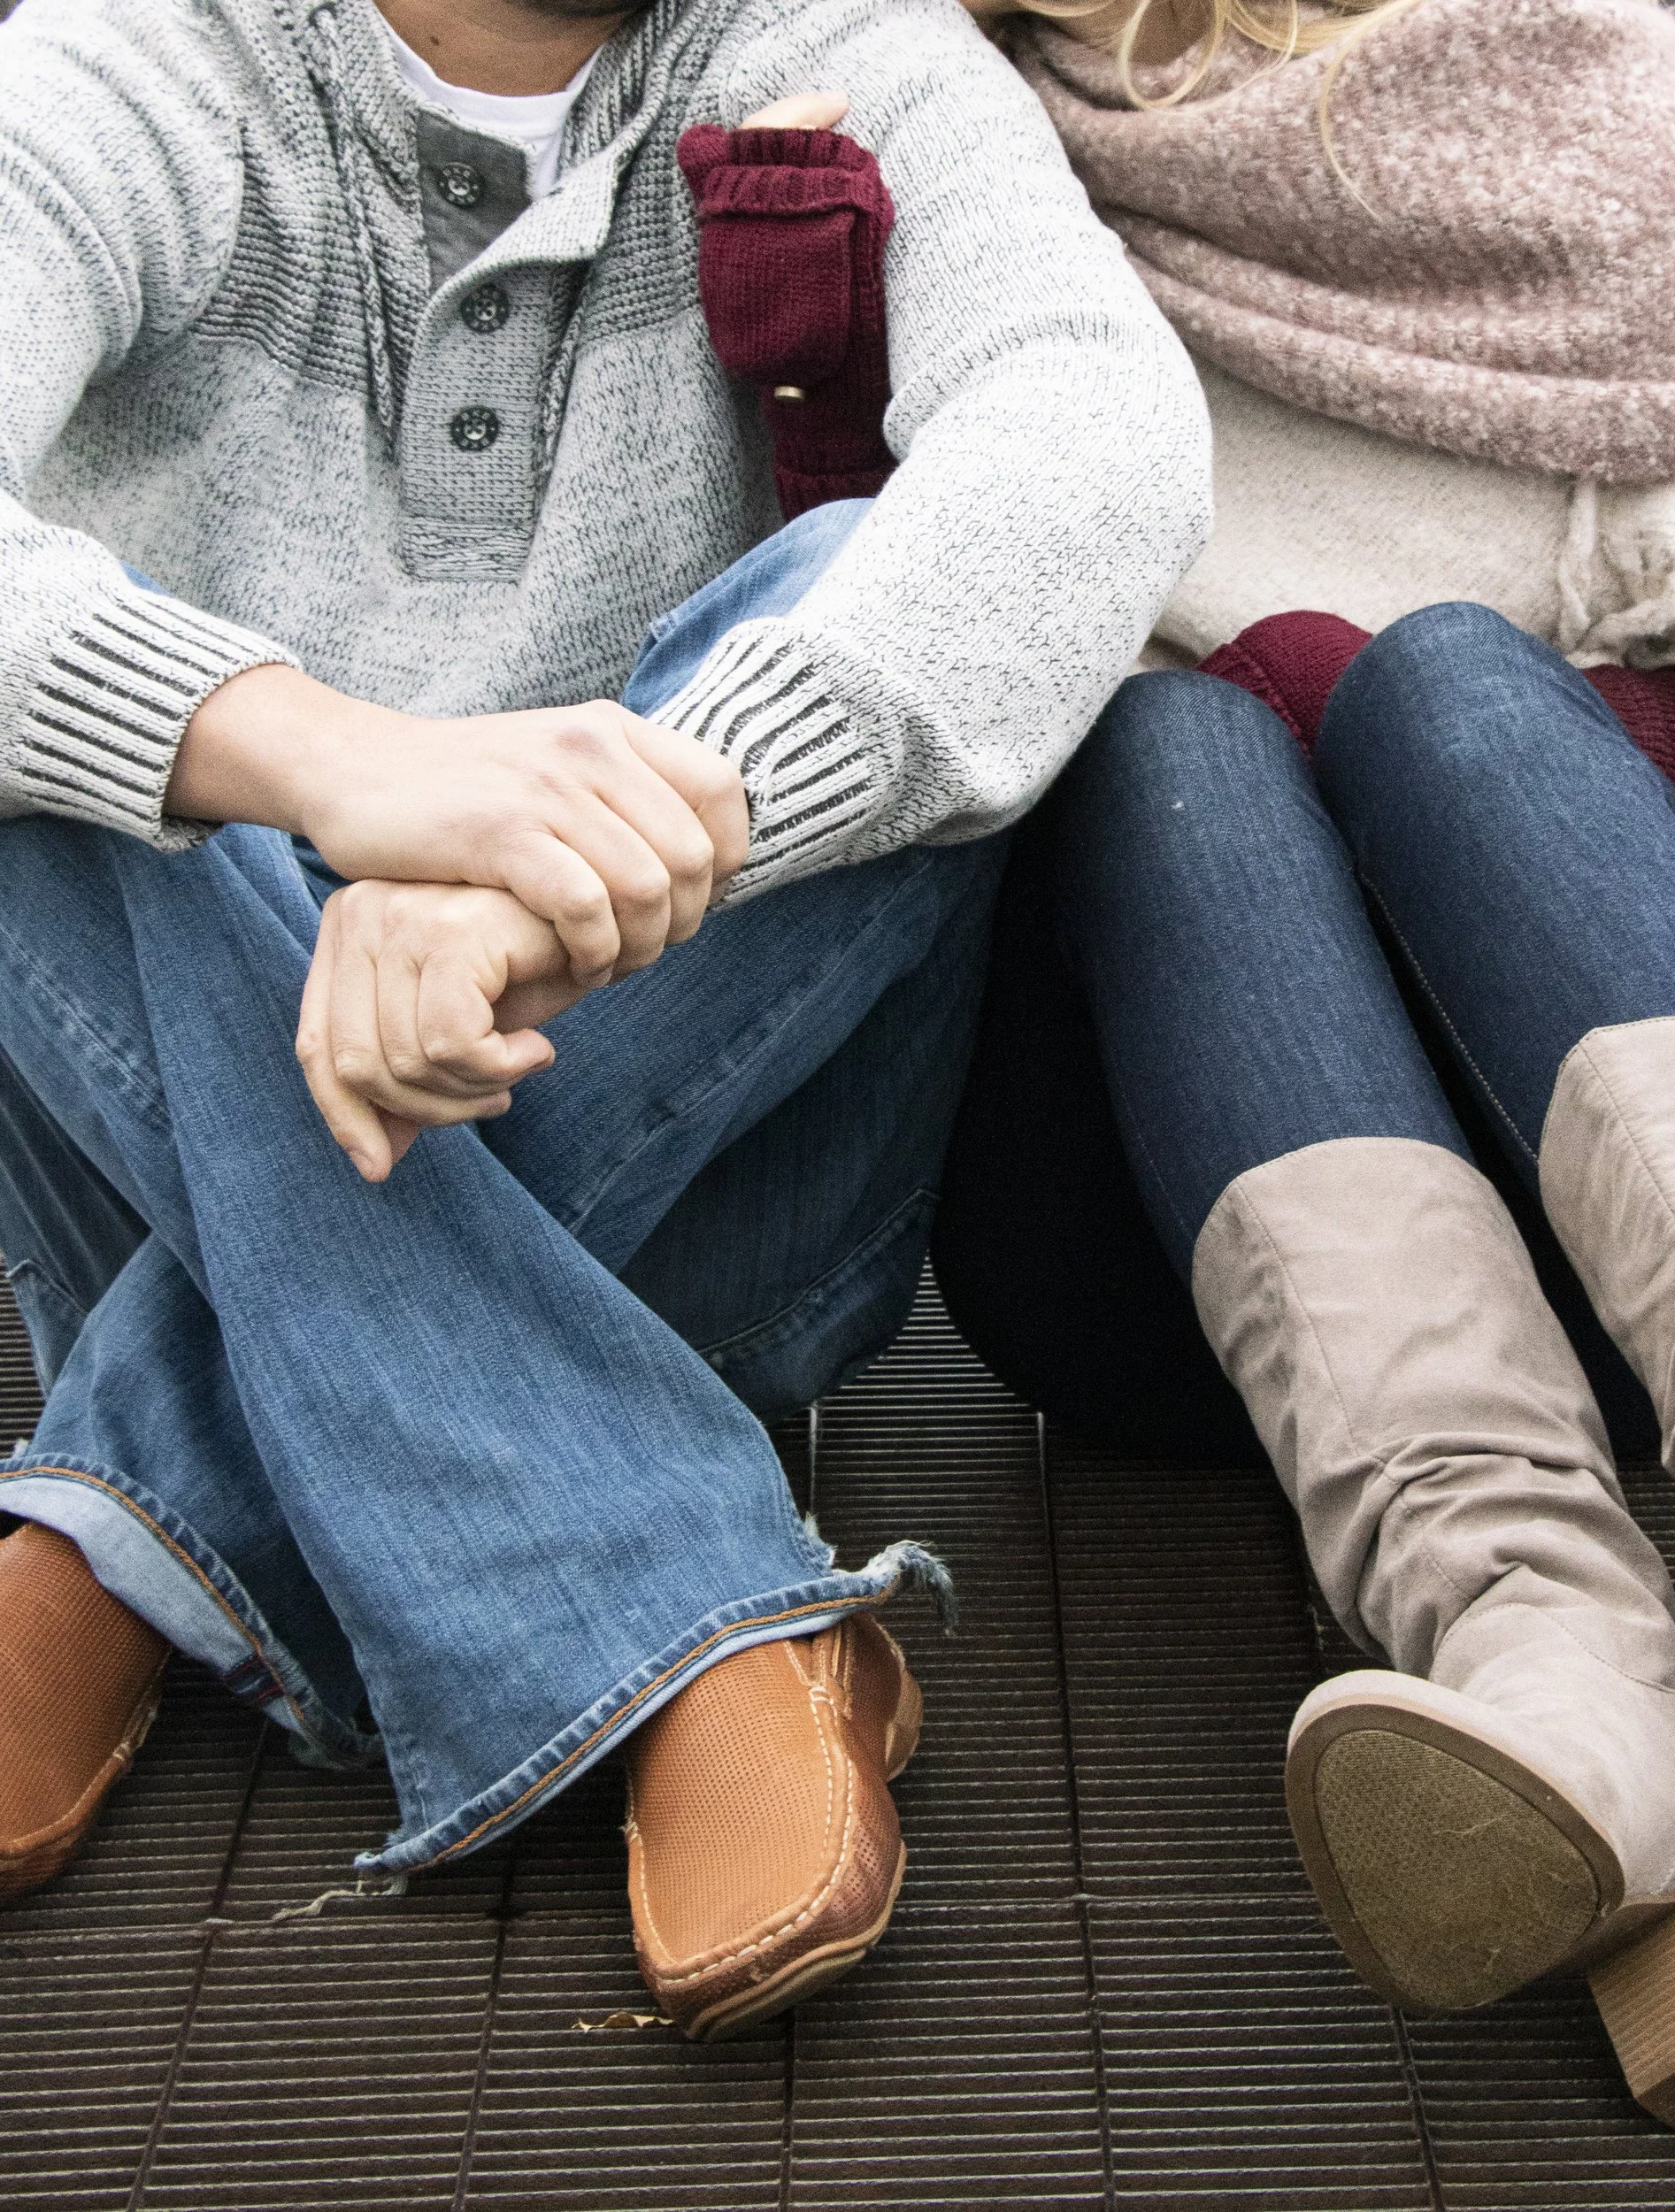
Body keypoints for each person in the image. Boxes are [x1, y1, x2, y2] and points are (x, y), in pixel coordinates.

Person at [928, 0, 1675, 2130]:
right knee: (1158, 740)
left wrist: (1330, 680)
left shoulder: (1550, 64)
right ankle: (1546, 1668)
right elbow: (882, 646)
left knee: (1440, 687)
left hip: (1649, 1164)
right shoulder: (939, 120)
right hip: (1189, 1257)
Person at [0, 0, 1207, 2039]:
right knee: (84, 715)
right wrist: (308, 756)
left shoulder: (840, 39)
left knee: (871, 605)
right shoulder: (140, 55)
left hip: (712, 1199)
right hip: (181, 1130)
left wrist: (581, 862)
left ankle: (131, 1511)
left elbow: (1098, 431)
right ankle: (687, 1590)